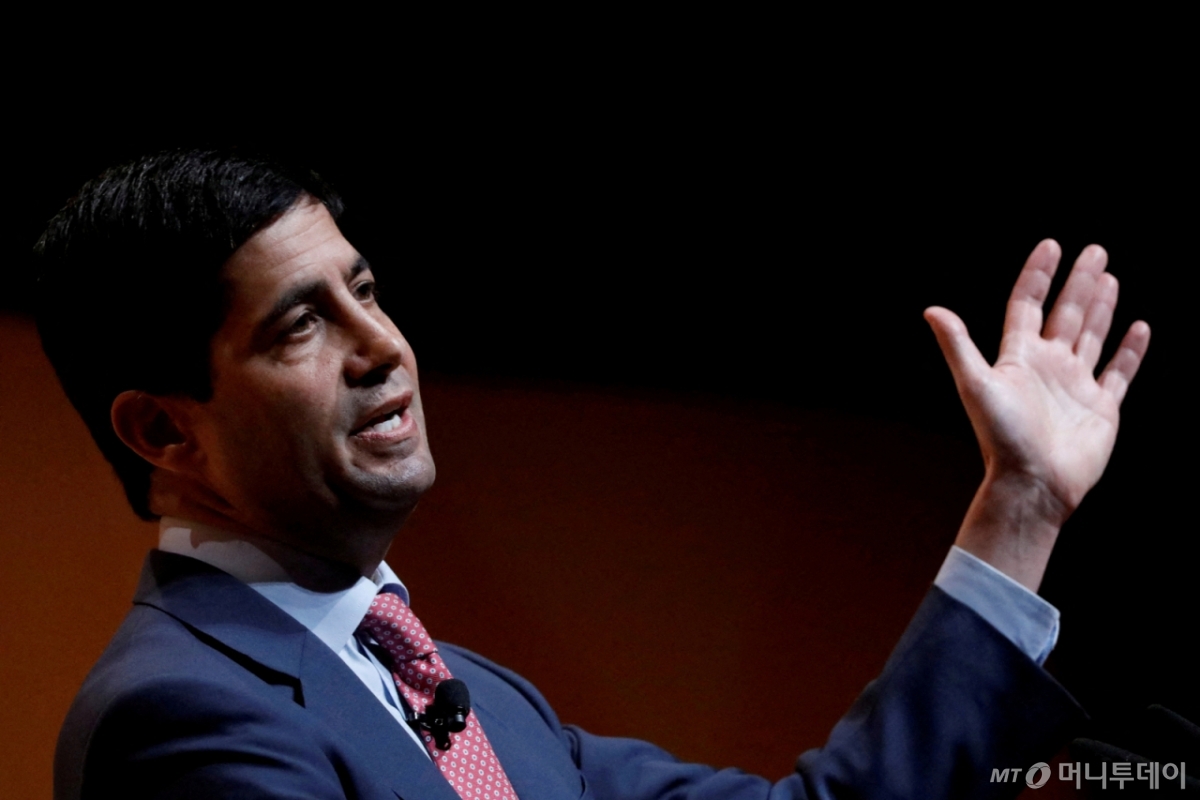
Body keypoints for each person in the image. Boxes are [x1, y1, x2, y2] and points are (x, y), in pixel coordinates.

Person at [38, 149, 1150, 799]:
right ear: (164, 431)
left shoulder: (477, 697)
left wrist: (1020, 504)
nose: (380, 346)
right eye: (299, 325)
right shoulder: (180, 717)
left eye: (365, 292)